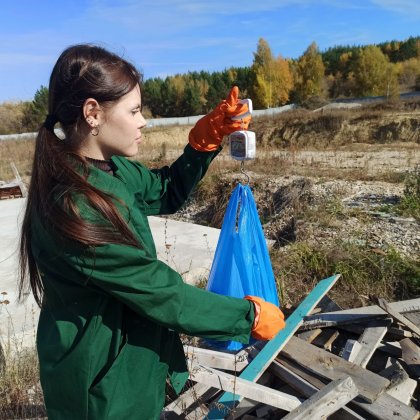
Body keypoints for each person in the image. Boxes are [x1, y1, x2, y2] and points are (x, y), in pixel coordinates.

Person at [18, 44, 285, 420]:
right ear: (93, 113)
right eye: (134, 110)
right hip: (101, 381)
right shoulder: (74, 206)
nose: (143, 121)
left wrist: (203, 143)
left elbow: (166, 190)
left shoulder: (112, 169)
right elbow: (163, 293)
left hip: (129, 359)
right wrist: (249, 316)